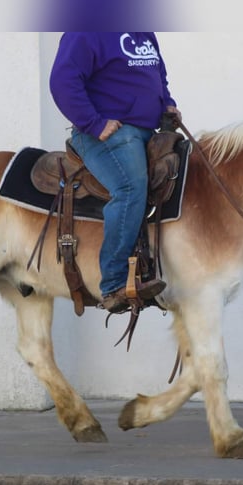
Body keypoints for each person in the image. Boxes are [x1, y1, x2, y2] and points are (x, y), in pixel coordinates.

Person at [49, 32, 181, 313]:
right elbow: (63, 81)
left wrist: (167, 102)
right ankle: (114, 283)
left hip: (147, 131)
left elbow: (157, 73)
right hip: (107, 134)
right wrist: (94, 123)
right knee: (131, 187)